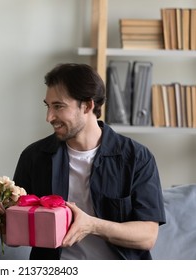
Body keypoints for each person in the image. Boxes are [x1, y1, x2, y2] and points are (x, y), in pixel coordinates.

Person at [12, 63, 166, 260]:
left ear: (87, 105)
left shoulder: (137, 158)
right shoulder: (34, 157)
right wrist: (3, 222)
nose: (49, 117)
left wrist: (92, 225)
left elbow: (147, 237)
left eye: (58, 106)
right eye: (48, 106)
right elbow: (15, 237)